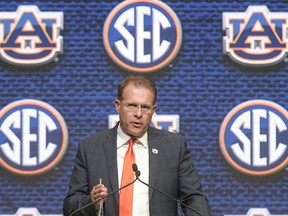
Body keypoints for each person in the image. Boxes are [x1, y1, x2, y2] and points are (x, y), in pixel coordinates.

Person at [63, 75, 211, 216]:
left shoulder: (174, 147)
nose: (138, 114)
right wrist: (92, 202)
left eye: (145, 107)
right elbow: (70, 206)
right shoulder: (90, 148)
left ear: (153, 111)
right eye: (132, 105)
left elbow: (194, 199)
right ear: (118, 106)